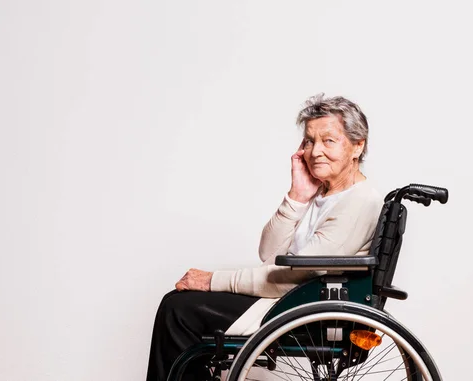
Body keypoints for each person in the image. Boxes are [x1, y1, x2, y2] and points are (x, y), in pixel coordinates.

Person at [145, 94, 384, 381]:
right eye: (309, 141)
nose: (315, 151)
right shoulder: (324, 193)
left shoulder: (359, 201)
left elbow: (291, 277)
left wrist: (212, 280)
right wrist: (298, 196)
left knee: (178, 310)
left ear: (358, 146)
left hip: (307, 311)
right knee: (177, 302)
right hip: (293, 300)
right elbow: (268, 252)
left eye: (328, 141)